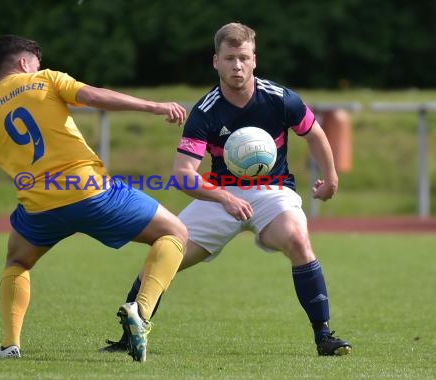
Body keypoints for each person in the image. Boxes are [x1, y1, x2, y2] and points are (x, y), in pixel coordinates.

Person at [0, 34, 189, 363]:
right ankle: (141, 311)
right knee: (175, 233)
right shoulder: (45, 79)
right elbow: (94, 96)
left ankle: (10, 344)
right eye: (35, 63)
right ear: (25, 63)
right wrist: (154, 106)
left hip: (39, 209)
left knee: (17, 262)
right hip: (90, 191)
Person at [102, 22, 352, 356]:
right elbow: (183, 174)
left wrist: (331, 177)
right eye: (230, 58)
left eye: (244, 58)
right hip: (220, 195)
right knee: (167, 250)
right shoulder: (205, 112)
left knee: (297, 239)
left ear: (254, 60)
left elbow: (315, 133)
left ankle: (324, 337)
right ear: (216, 61)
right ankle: (128, 336)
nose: (237, 65)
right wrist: (223, 197)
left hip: (272, 191)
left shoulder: (280, 99)